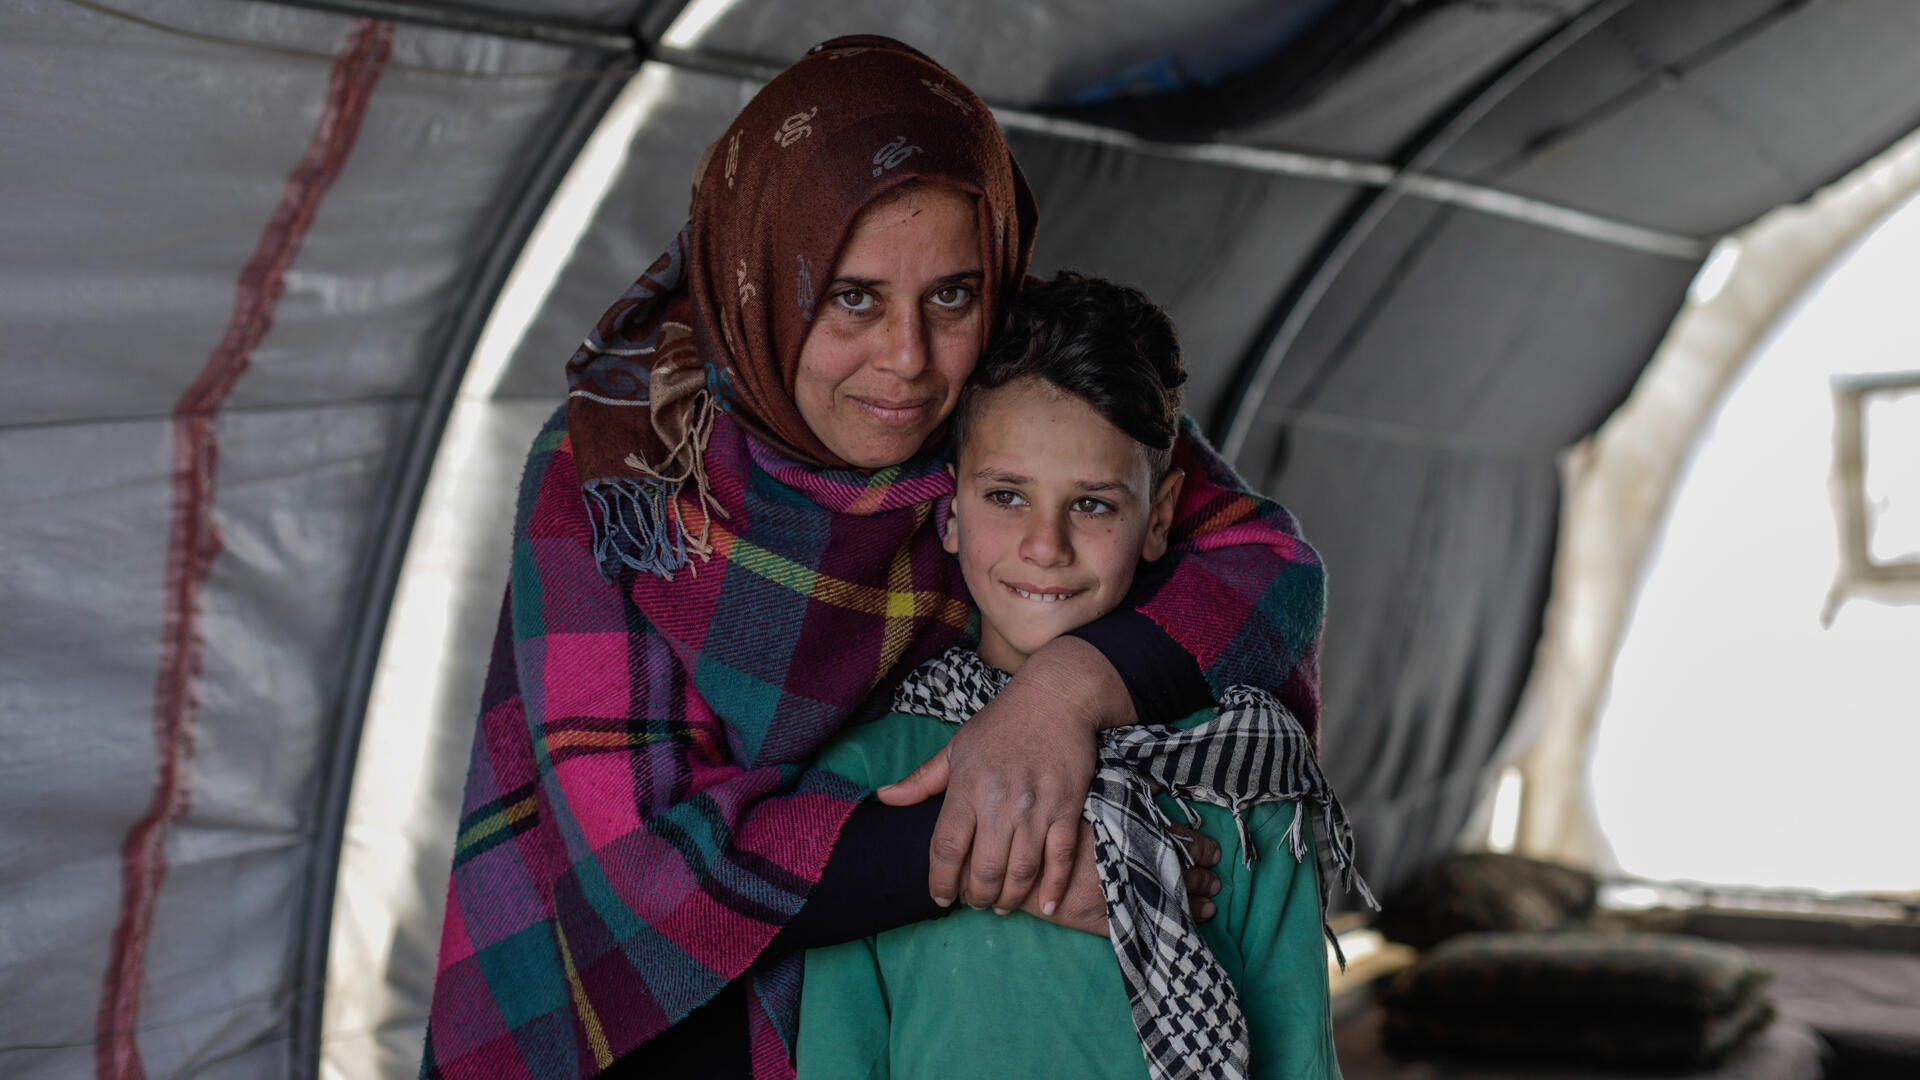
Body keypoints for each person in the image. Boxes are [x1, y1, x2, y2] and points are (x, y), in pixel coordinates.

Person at [422, 37, 1327, 1080]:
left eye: (951, 294)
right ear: (764, 276)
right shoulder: (623, 469)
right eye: (851, 296)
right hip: (643, 1026)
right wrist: (1010, 856)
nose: (906, 359)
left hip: (885, 999)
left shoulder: (997, 400)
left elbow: (1266, 567)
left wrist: (1063, 699)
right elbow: (646, 870)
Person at [796, 273, 1363, 1080]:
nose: (1045, 546)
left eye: (1092, 505)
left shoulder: (1242, 790)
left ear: (1159, 517)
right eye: (1006, 496)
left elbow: (1298, 1056)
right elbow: (838, 1057)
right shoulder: (876, 778)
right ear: (949, 511)